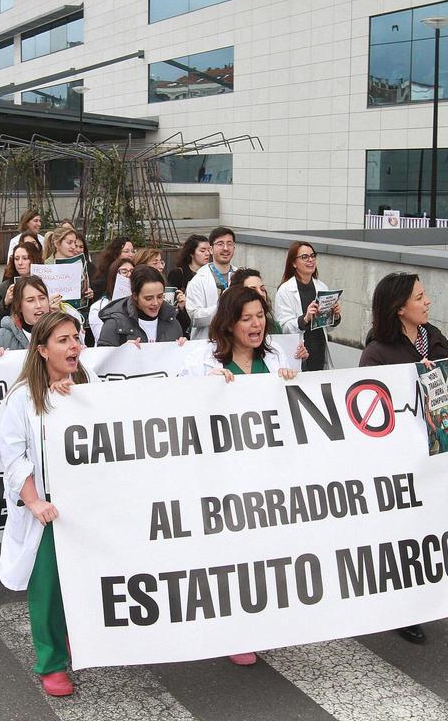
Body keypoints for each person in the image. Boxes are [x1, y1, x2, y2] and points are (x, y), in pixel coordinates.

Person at [177, 285, 296, 667]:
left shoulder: (276, 357)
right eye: (246, 318)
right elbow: (175, 410)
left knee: (261, 554)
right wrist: (203, 388)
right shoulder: (201, 361)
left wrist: (292, 383)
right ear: (228, 325)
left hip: (265, 477)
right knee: (226, 556)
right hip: (220, 480)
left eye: (260, 316)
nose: (256, 324)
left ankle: (254, 625)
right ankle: (229, 630)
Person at [358, 271, 448, 645]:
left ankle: (431, 596)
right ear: (399, 308)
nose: (428, 302)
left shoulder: (436, 341)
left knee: (432, 528)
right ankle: (403, 609)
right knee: (402, 534)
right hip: (400, 462)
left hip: (439, 453)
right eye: (420, 297)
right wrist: (409, 379)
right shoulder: (377, 353)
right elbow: (368, 412)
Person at [0, 311, 90, 697]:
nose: (74, 347)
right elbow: (14, 456)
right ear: (41, 350)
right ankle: (51, 662)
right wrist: (34, 501)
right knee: (48, 588)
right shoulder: (21, 398)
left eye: (76, 338)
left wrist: (81, 400)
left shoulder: (87, 384)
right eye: (64, 340)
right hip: (48, 510)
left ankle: (80, 638)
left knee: (86, 582)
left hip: (86, 504)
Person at [275, 241, 340, 371]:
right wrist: (305, 318)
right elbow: (283, 328)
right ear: (293, 263)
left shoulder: (321, 286)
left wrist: (335, 316)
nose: (310, 260)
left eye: (313, 256)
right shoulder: (285, 290)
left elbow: (327, 328)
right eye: (305, 257)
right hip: (299, 354)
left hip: (319, 352)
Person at [97, 265, 185, 346]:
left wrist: (183, 348)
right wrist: (121, 352)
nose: (155, 303)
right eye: (148, 298)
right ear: (135, 296)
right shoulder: (115, 323)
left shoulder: (172, 320)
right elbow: (102, 358)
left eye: (160, 296)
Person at [185, 226, 237, 339]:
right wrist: (222, 307)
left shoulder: (241, 276)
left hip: (236, 340)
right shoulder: (198, 280)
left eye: (229, 244)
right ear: (211, 249)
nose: (225, 248)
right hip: (208, 342)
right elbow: (194, 317)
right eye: (220, 244)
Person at [0, 275, 53, 352]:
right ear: (19, 306)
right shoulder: (1, 339)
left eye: (42, 298)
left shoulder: (63, 331)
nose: (38, 305)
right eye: (30, 300)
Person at [0, 241, 43, 335]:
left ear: (34, 259)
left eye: (25, 258)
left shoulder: (45, 284)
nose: (20, 263)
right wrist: (5, 303)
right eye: (16, 259)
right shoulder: (4, 288)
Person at [87, 256, 134, 342]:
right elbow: (101, 337)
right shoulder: (98, 307)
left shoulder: (141, 304)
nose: (129, 275)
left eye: (132, 271)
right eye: (124, 272)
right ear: (113, 276)